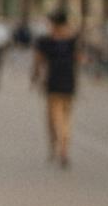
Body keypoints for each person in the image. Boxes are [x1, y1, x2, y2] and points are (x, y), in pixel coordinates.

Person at [32, 9, 79, 168]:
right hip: (69, 81)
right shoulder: (73, 39)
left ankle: (56, 146)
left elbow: (38, 61)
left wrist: (35, 77)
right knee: (66, 117)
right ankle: (63, 149)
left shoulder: (45, 40)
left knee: (53, 118)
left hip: (53, 81)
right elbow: (79, 59)